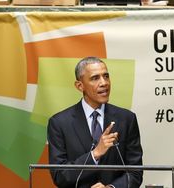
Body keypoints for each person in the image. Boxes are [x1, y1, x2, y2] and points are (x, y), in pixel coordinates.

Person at [47, 57, 143, 188]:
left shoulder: (126, 119)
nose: (104, 83)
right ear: (80, 86)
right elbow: (59, 176)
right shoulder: (59, 123)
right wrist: (95, 154)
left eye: (106, 76)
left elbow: (135, 172)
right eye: (95, 78)